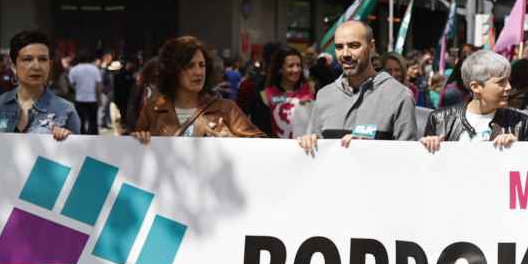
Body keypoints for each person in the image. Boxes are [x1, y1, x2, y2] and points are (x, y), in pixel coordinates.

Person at [296, 21, 422, 155]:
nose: (345, 54)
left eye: (354, 46)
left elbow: (407, 158)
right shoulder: (324, 95)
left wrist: (368, 150)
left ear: (371, 47)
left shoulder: (400, 95)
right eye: (339, 47)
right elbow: (314, 152)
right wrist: (308, 142)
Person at [130, 36, 264, 142]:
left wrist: (230, 141)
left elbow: (263, 145)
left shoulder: (227, 109)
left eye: (202, 65)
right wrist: (138, 139)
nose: (199, 72)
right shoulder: (152, 110)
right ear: (173, 70)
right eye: (190, 66)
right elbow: (134, 156)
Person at [0, 30, 79, 141]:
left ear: (49, 65)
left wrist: (68, 141)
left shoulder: (65, 110)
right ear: (14, 67)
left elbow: (76, 160)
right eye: (27, 59)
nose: (36, 66)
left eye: (42, 59)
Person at [421, 50, 528, 147]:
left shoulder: (521, 123)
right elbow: (425, 168)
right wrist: (428, 147)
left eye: (508, 80)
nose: (509, 87)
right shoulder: (440, 119)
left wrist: (518, 149)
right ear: (476, 87)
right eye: (501, 82)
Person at [66, 49, 103, 135]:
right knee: (93, 122)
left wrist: (77, 89)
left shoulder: (74, 70)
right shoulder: (94, 69)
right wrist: (99, 99)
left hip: (79, 99)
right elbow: (98, 86)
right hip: (92, 99)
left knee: (80, 122)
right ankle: (94, 140)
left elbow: (71, 84)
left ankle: (82, 140)